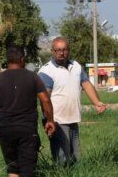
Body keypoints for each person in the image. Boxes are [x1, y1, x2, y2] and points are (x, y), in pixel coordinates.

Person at [0, 46, 55, 177]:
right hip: (27, 129)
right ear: (22, 59)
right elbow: (45, 100)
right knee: (27, 167)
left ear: (7, 61)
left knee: (13, 167)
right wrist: (50, 120)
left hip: (5, 129)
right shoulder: (33, 77)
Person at [38, 37, 107, 165]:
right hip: (57, 121)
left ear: (68, 50)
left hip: (73, 119)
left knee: (75, 158)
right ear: (52, 51)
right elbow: (44, 98)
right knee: (62, 159)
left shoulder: (76, 66)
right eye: (58, 50)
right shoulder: (46, 71)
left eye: (64, 49)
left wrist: (97, 103)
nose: (61, 53)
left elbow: (86, 84)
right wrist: (48, 120)